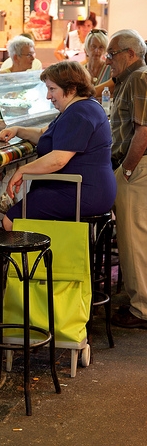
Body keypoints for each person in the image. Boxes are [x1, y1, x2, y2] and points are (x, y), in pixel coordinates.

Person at [0, 60, 116, 231]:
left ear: (72, 88)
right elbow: (42, 134)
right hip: (87, 190)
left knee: (11, 221)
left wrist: (23, 170)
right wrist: (18, 130)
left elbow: (58, 160)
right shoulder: (79, 108)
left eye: (52, 89)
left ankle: (45, 257)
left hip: (83, 193)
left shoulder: (79, 113)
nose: (48, 96)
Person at [106, 29, 147, 329]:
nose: (108, 60)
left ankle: (140, 309)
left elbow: (143, 131)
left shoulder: (139, 78)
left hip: (137, 167)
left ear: (130, 54)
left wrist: (128, 170)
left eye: (112, 54)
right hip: (135, 165)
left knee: (132, 241)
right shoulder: (129, 78)